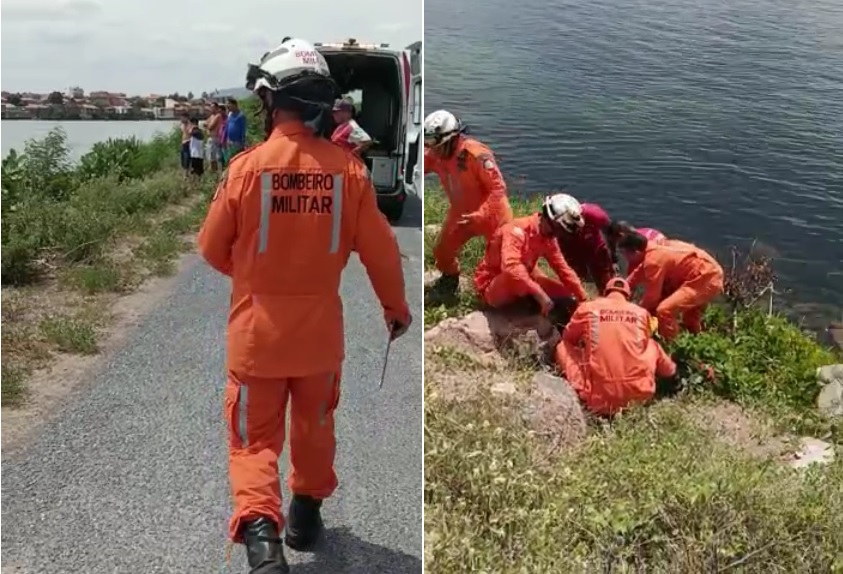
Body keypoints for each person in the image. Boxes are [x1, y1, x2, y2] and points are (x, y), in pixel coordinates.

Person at [197, 37, 412, 574]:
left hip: (257, 336)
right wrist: (395, 308)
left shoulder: (247, 169)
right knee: (315, 425)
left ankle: (264, 545)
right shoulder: (348, 172)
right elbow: (382, 251)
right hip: (319, 337)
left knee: (253, 440)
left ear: (270, 99)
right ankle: (305, 516)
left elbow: (210, 248)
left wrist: (251, 276)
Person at [555, 277, 677, 415]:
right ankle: (672, 375)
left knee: (562, 347)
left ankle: (582, 389)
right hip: (638, 398)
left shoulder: (588, 308)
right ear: (627, 296)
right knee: (652, 345)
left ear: (605, 292)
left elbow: (568, 338)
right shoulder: (641, 313)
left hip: (598, 400)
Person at [423, 109, 513, 294]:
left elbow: (498, 188)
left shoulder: (475, 154)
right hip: (461, 214)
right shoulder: (435, 155)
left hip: (493, 215)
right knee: (442, 253)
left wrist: (480, 215)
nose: (434, 150)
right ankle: (450, 278)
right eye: (430, 145)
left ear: (453, 138)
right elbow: (419, 165)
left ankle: (515, 292)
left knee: (509, 259)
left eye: (438, 145)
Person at [473, 195, 590, 319]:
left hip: (525, 280)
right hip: (492, 286)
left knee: (569, 296)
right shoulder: (516, 231)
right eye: (557, 230)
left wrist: (583, 298)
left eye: (561, 232)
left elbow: (563, 269)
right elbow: (511, 268)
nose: (557, 235)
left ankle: (531, 301)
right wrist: (540, 295)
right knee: (513, 274)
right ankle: (527, 304)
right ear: (546, 218)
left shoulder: (548, 238)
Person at [620, 232, 724, 341]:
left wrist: (634, 313)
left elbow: (652, 297)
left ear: (635, 252)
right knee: (690, 317)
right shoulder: (653, 248)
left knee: (664, 310)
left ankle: (672, 344)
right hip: (706, 273)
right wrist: (623, 286)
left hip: (705, 278)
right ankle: (695, 339)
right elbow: (640, 271)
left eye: (624, 253)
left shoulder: (654, 260)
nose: (625, 257)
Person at [544, 193, 617, 294]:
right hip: (569, 252)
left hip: (596, 250)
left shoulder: (595, 214)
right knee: (574, 281)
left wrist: (614, 259)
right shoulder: (550, 224)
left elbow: (611, 232)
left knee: (606, 283)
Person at [224, 97, 247, 162]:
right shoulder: (230, 115)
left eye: (229, 104)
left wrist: (243, 142)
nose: (227, 106)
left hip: (238, 142)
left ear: (234, 105)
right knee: (231, 159)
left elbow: (243, 129)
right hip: (230, 141)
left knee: (238, 159)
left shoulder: (241, 116)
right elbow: (227, 127)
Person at [205, 102, 224, 173]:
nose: (211, 109)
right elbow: (205, 123)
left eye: (213, 107)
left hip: (215, 138)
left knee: (215, 157)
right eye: (211, 107)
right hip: (210, 138)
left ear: (216, 108)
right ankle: (213, 172)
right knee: (210, 157)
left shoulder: (218, 116)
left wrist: (207, 125)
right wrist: (207, 125)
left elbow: (210, 127)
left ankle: (217, 172)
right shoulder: (212, 116)